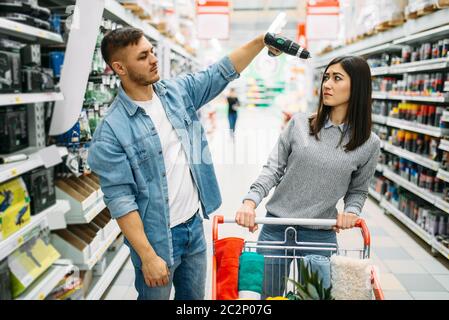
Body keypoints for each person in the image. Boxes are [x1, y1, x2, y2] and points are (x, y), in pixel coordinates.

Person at [87, 27, 280, 300]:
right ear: (119, 67)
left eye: (152, 51)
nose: (154, 59)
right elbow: (121, 200)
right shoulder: (111, 130)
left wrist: (260, 41)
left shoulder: (175, 93)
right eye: (143, 57)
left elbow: (220, 72)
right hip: (157, 240)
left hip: (193, 227)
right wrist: (148, 256)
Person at [235, 56, 381, 297]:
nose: (327, 84)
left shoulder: (369, 143)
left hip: (319, 234)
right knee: (268, 295)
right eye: (326, 77)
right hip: (276, 227)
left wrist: (352, 212)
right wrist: (250, 202)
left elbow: (358, 190)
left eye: (337, 78)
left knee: (314, 296)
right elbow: (273, 169)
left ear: (357, 86)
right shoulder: (300, 124)